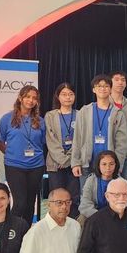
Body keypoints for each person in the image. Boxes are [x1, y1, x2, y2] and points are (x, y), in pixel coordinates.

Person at [0, 85, 47, 224]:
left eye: (34, 98)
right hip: (15, 165)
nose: (30, 100)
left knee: (30, 203)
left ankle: (25, 234)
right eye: (27, 97)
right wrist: (10, 152)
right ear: (20, 98)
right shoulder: (7, 118)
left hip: (36, 166)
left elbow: (43, 142)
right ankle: (10, 232)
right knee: (20, 203)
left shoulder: (40, 121)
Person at [71, 75, 127, 190]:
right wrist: (75, 162)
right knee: (86, 196)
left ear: (111, 89)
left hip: (109, 166)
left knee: (110, 196)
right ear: (94, 89)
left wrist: (118, 165)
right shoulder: (84, 111)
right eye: (99, 86)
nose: (103, 89)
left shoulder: (118, 113)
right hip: (87, 163)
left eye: (106, 86)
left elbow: (122, 143)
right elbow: (77, 138)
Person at [45, 83, 80, 217]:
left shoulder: (80, 114)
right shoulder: (50, 116)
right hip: (56, 164)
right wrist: (63, 159)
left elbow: (80, 140)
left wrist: (70, 159)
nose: (68, 97)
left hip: (74, 164)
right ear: (58, 97)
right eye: (64, 94)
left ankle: (73, 227)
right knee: (57, 198)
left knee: (74, 198)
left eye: (71, 94)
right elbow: (51, 140)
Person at [79, 150, 120, 221]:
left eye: (111, 164)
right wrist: (100, 216)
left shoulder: (120, 182)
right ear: (98, 165)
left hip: (112, 215)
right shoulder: (91, 180)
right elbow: (85, 204)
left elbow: (121, 205)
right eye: (104, 164)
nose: (108, 168)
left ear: (116, 165)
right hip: (94, 213)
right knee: (82, 218)